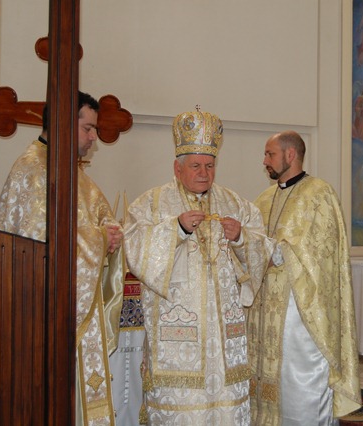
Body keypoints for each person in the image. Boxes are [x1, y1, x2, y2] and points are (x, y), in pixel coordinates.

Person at [123, 108, 274, 425]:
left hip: (224, 340)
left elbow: (262, 247)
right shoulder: (151, 203)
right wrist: (175, 229)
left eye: (210, 165)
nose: (204, 173)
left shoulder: (235, 204)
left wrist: (241, 238)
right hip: (178, 335)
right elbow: (134, 247)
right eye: (196, 166)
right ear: (177, 168)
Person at [0, 91, 124, 425]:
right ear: (63, 123)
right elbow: (39, 244)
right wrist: (101, 238)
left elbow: (99, 219)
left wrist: (111, 234)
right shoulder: (33, 170)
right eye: (88, 128)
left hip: (75, 314)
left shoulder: (73, 174)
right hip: (44, 319)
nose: (94, 137)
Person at [249, 131, 361, 425]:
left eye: (270, 154)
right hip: (266, 315)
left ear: (290, 155)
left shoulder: (319, 194)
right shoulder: (263, 200)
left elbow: (321, 255)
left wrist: (273, 250)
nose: (265, 161)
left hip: (300, 315)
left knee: (299, 386)